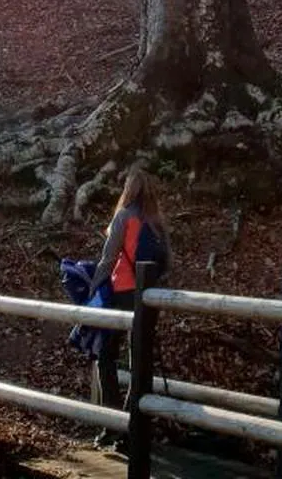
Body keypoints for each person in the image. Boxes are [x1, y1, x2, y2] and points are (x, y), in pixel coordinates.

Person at [89, 166, 171, 427]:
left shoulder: (124, 217)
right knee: (140, 360)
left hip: (122, 291)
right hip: (149, 295)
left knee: (106, 355)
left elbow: (108, 257)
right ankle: (133, 425)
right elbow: (168, 262)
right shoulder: (157, 222)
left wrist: (93, 288)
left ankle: (112, 420)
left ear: (129, 189)